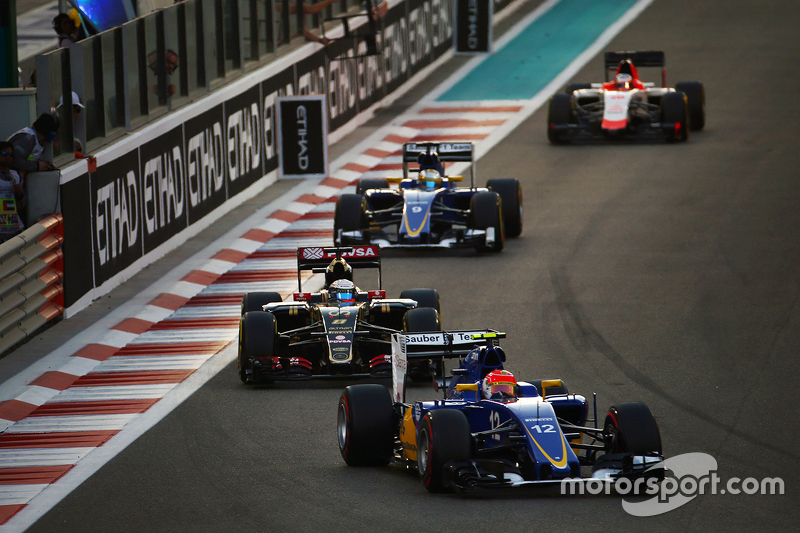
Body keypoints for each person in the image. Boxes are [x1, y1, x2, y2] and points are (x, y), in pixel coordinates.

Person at [0, 142, 26, 243]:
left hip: (12, 227)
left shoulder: (15, 176)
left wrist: (19, 194)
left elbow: (22, 204)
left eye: (10, 155)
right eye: (4, 155)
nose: (8, 157)